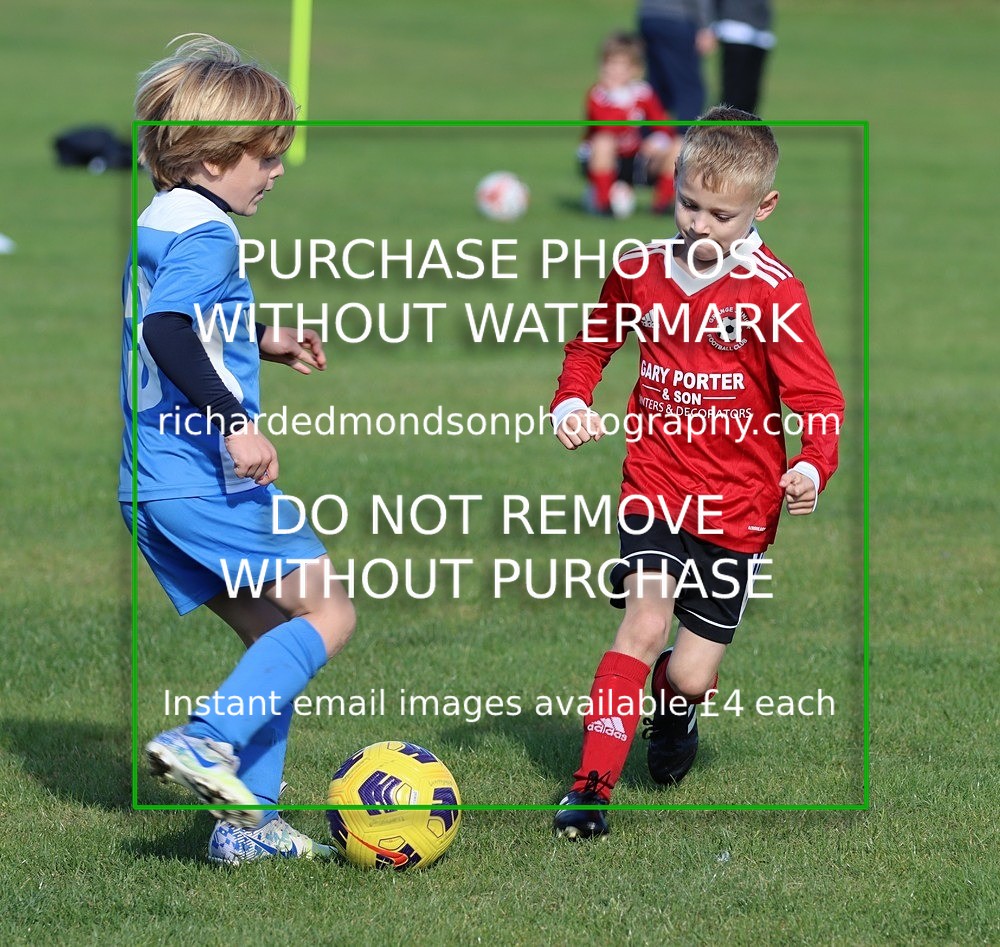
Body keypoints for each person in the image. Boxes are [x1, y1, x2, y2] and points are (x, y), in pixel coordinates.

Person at [549, 106, 845, 839]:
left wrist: (812, 463)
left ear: (762, 207)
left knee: (685, 672)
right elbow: (591, 346)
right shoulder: (639, 273)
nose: (699, 226)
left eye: (721, 213)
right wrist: (571, 400)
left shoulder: (777, 294)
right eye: (688, 204)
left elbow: (819, 399)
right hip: (654, 483)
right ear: (672, 184)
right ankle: (589, 790)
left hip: (739, 506)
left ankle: (674, 712)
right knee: (644, 621)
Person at [120, 35, 356, 864]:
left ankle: (244, 828)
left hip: (152, 484)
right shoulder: (212, 236)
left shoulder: (163, 218)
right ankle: (208, 738)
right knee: (330, 610)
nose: (277, 170)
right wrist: (235, 419)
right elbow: (166, 331)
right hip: (201, 478)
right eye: (267, 153)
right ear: (217, 156)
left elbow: (186, 320)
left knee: (271, 639)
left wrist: (266, 337)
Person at [580, 32, 681, 217]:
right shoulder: (597, 95)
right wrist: (623, 104)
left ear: (635, 70)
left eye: (621, 66)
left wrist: (657, 141)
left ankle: (663, 205)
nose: (613, 71)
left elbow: (664, 127)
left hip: (634, 158)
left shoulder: (643, 93)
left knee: (677, 146)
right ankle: (604, 206)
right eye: (610, 64)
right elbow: (606, 127)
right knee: (604, 142)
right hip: (601, 159)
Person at [637, 0, 717, 125]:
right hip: (678, 17)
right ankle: (685, 138)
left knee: (657, 87)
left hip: (648, 16)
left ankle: (648, 135)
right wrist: (706, 25)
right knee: (690, 92)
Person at [712, 0, 775, 114]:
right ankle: (726, 130)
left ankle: (745, 130)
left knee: (750, 95)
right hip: (735, 27)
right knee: (734, 96)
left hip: (759, 30)